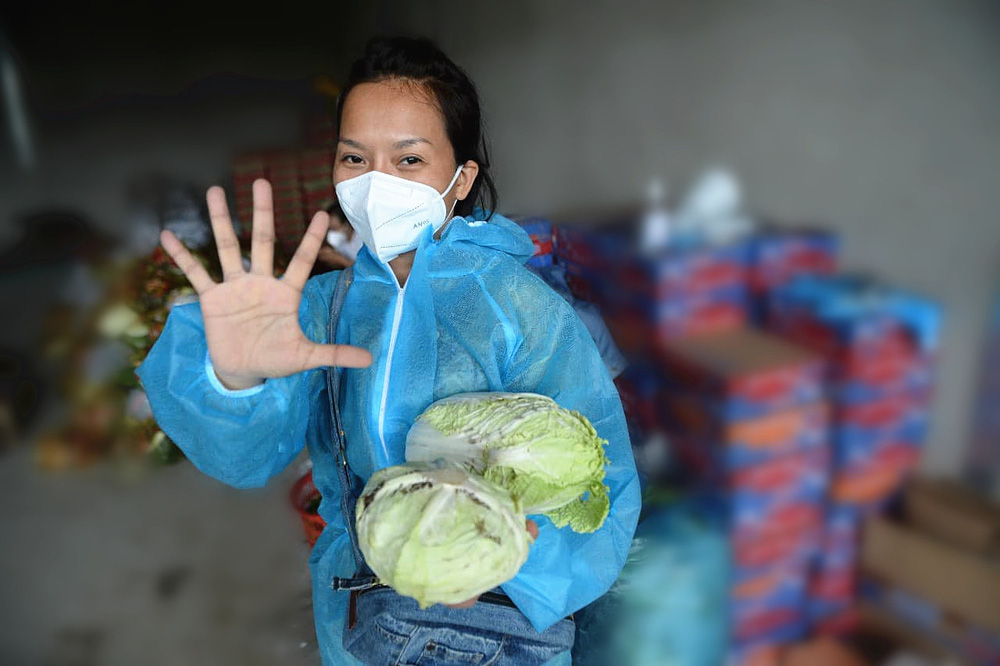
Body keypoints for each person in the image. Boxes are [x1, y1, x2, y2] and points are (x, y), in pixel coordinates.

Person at [137, 36, 640, 665]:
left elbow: (601, 483)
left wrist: (498, 557)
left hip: (499, 627)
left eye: (408, 160)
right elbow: (245, 458)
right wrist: (234, 380)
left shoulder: (519, 309)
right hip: (362, 619)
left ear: (460, 179)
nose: (376, 182)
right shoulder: (320, 309)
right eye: (354, 157)